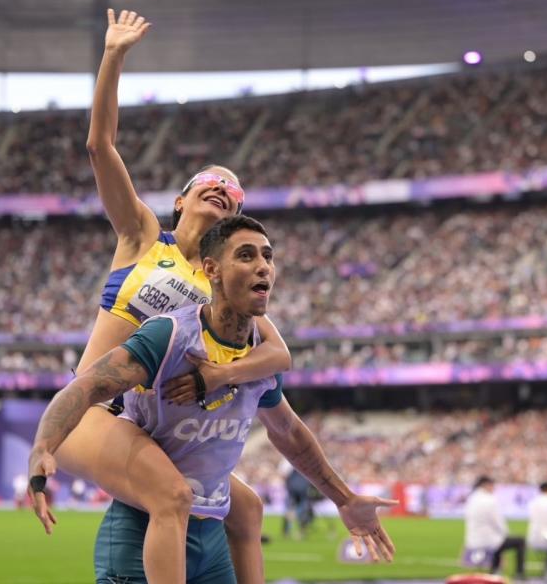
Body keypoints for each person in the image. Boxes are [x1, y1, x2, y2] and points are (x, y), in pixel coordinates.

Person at [28, 9, 291, 584]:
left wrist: (223, 376)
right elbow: (100, 146)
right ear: (181, 200)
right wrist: (114, 55)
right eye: (210, 183)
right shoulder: (142, 235)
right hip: (96, 408)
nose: (223, 189)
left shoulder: (221, 281)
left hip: (155, 421)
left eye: (234, 191)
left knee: (245, 507)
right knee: (172, 496)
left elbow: (278, 356)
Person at [30, 216, 397, 583]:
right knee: (174, 496)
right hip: (142, 534)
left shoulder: (260, 357)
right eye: (246, 255)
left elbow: (288, 433)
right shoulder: (170, 336)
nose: (263, 267)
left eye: (268, 257)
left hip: (212, 536)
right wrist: (44, 446)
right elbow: (87, 385)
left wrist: (345, 499)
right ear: (212, 270)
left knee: (247, 506)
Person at [464, 476, 526, 578]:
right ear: (486, 485)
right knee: (519, 541)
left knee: (499, 543)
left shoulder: (472, 498)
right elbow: (498, 522)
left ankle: (494, 571)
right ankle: (519, 573)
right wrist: (506, 533)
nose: (494, 488)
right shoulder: (490, 500)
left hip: (472, 539)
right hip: (488, 539)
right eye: (492, 485)